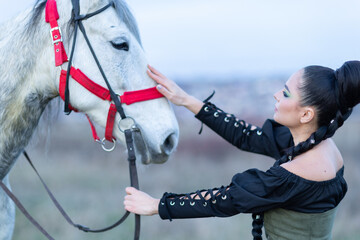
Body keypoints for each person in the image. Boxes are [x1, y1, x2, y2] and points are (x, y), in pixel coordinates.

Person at [124, 61, 360, 239]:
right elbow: (247, 136)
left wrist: (156, 205)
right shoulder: (322, 146)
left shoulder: (296, 175)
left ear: (306, 114)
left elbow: (225, 199)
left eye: (286, 93)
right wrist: (186, 100)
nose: (277, 94)